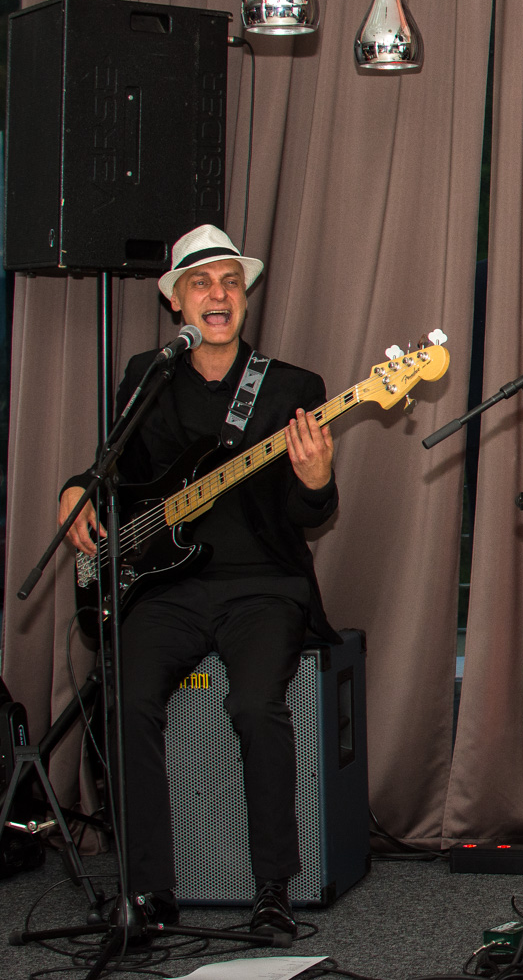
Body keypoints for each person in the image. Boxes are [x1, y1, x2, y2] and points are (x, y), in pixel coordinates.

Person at [59, 224, 339, 940]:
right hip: (166, 586)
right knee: (125, 700)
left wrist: (316, 480)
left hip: (263, 585)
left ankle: (273, 888)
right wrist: (75, 488)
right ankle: (148, 892)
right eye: (201, 283)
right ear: (177, 301)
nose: (218, 295)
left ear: (244, 297)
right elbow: (113, 473)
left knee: (255, 704)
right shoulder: (145, 378)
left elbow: (310, 514)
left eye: (230, 283)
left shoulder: (292, 387)